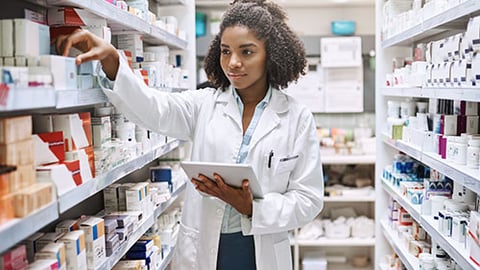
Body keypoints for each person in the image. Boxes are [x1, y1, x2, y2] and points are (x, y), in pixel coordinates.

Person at [56, 0, 324, 269]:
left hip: (260, 250)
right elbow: (155, 110)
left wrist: (251, 207)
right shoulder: (204, 103)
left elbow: (308, 199)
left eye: (247, 52)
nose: (233, 62)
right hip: (206, 247)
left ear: (271, 54)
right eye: (226, 51)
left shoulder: (296, 118)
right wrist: (112, 61)